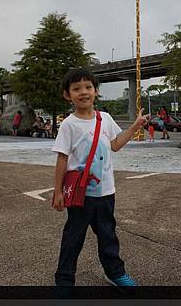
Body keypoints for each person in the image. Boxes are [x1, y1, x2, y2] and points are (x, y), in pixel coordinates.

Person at [51, 68, 150, 290]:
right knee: (73, 239)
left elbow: (115, 144)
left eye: (88, 87)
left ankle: (115, 273)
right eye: (76, 89)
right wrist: (58, 191)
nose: (83, 92)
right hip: (80, 194)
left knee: (108, 236)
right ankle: (64, 280)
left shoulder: (104, 118)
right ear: (68, 95)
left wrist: (134, 126)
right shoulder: (68, 124)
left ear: (96, 91)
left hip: (106, 192)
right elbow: (62, 159)